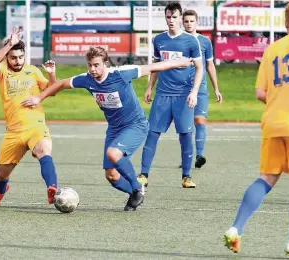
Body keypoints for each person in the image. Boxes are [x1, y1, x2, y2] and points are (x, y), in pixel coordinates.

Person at [20, 46, 193, 211]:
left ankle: (137, 186)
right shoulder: (86, 79)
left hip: (136, 125)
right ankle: (133, 193)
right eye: (90, 65)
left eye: (96, 65)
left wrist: (179, 62)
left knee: (113, 153)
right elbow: (61, 84)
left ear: (105, 64)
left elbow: (154, 66)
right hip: (114, 128)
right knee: (111, 175)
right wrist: (39, 98)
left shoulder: (121, 74)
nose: (93, 69)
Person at [223, 2, 289, 258]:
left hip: (273, 122)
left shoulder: (272, 49)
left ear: (285, 23)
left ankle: (235, 228)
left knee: (266, 177)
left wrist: (279, 102)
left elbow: (260, 92)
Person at [0, 27, 59, 207]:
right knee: (0, 175)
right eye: (13, 57)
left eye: (20, 57)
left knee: (44, 150)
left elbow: (52, 90)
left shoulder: (33, 71)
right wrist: (9, 44)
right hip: (14, 132)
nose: (17, 61)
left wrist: (51, 74)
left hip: (36, 126)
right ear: (7, 57)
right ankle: (1, 190)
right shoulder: (2, 72)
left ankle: (53, 189)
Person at [138, 2, 203, 189]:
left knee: (185, 135)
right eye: (168, 17)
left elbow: (200, 68)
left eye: (174, 17)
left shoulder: (191, 41)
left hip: (183, 96)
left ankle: (186, 177)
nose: (171, 20)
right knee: (152, 133)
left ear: (180, 18)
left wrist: (194, 92)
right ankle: (144, 174)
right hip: (163, 95)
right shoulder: (159, 40)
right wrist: (150, 86)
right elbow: (156, 66)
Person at [182, 9, 223, 169]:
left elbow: (210, 65)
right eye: (186, 21)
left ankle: (199, 155)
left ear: (196, 23)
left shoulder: (205, 41)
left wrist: (216, 89)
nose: (189, 24)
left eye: (192, 21)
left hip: (201, 88)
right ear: (182, 23)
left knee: (199, 119)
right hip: (182, 88)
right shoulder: (178, 41)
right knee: (185, 125)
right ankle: (186, 157)